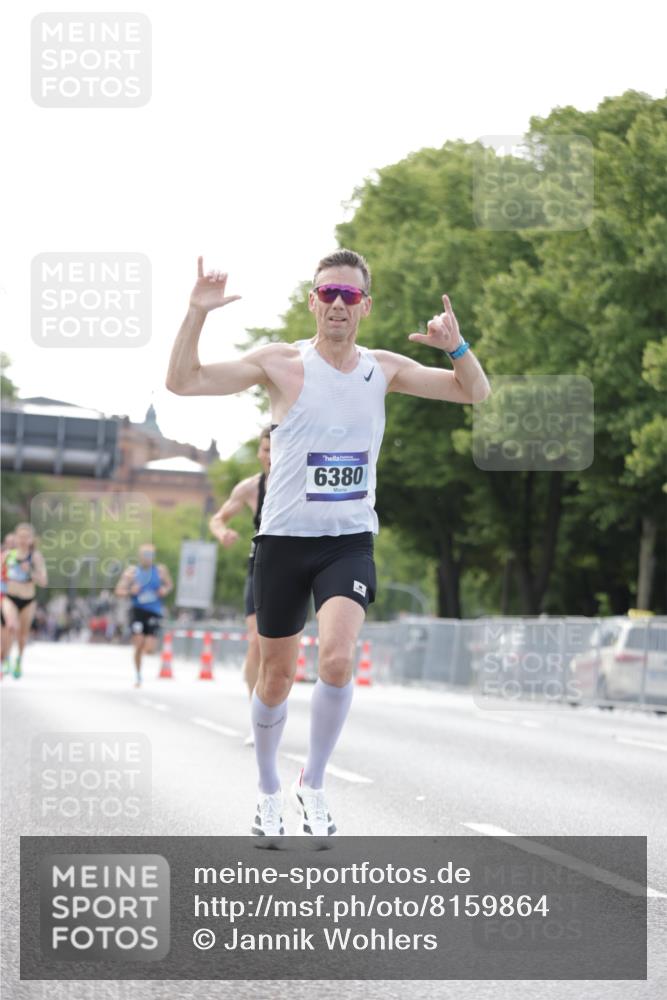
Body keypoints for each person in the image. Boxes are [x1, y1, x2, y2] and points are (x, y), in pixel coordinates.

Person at [166, 249, 490, 837]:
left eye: (350, 295)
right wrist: (196, 314)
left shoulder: (383, 368)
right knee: (275, 678)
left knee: (337, 660)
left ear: (366, 305)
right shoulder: (281, 363)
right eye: (328, 294)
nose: (338, 305)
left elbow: (476, 394)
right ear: (313, 301)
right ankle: (268, 788)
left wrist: (457, 347)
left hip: (348, 541)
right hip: (283, 542)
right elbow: (182, 382)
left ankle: (312, 783)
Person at [209, 426, 271, 746]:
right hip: (260, 568)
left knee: (281, 649)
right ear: (260, 453)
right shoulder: (251, 488)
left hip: (298, 571)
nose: (271, 457)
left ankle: (273, 703)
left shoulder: (305, 481)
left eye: (276, 449)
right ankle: (258, 717)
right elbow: (217, 518)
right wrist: (223, 534)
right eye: (266, 450)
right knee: (256, 642)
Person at [114, 543, 174, 687]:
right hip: (138, 611)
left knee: (149, 648)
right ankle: (138, 675)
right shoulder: (132, 572)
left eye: (151, 555)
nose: (148, 558)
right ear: (140, 556)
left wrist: (164, 590)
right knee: (139, 644)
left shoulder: (160, 571)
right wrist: (130, 591)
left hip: (154, 612)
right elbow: (118, 591)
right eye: (145, 555)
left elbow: (169, 585)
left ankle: (143, 659)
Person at [1, 524, 48, 678]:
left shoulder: (35, 557)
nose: (22, 540)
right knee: (10, 625)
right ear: (15, 537)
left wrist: (31, 572)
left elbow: (43, 581)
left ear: (31, 540)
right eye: (20, 536)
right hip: (10, 597)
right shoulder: (8, 555)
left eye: (26, 537)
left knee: (22, 636)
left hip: (28, 600)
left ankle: (19, 660)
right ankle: (6, 659)